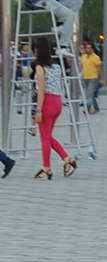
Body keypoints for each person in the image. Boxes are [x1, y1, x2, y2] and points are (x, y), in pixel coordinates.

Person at [31, 38, 76, 181]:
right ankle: (67, 159)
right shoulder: (56, 67)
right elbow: (61, 83)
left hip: (47, 102)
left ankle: (46, 168)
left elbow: (41, 90)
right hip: (57, 101)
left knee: (44, 138)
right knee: (48, 136)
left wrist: (38, 110)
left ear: (37, 51)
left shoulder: (39, 67)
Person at [80, 40, 103, 114]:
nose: (87, 49)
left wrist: (101, 79)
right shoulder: (83, 57)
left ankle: (87, 108)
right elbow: (81, 66)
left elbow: (99, 69)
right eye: (86, 48)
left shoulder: (95, 57)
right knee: (90, 94)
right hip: (85, 77)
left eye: (88, 48)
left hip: (93, 78)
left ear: (92, 49)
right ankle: (96, 108)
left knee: (89, 94)